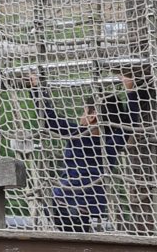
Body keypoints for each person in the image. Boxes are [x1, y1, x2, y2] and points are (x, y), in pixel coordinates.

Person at [32, 70, 146, 231]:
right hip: (90, 204)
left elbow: (49, 119)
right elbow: (131, 121)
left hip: (65, 199)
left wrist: (36, 88)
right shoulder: (113, 141)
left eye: (84, 111)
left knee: (66, 225)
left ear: (92, 116)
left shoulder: (78, 134)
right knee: (79, 234)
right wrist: (130, 89)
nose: (81, 115)